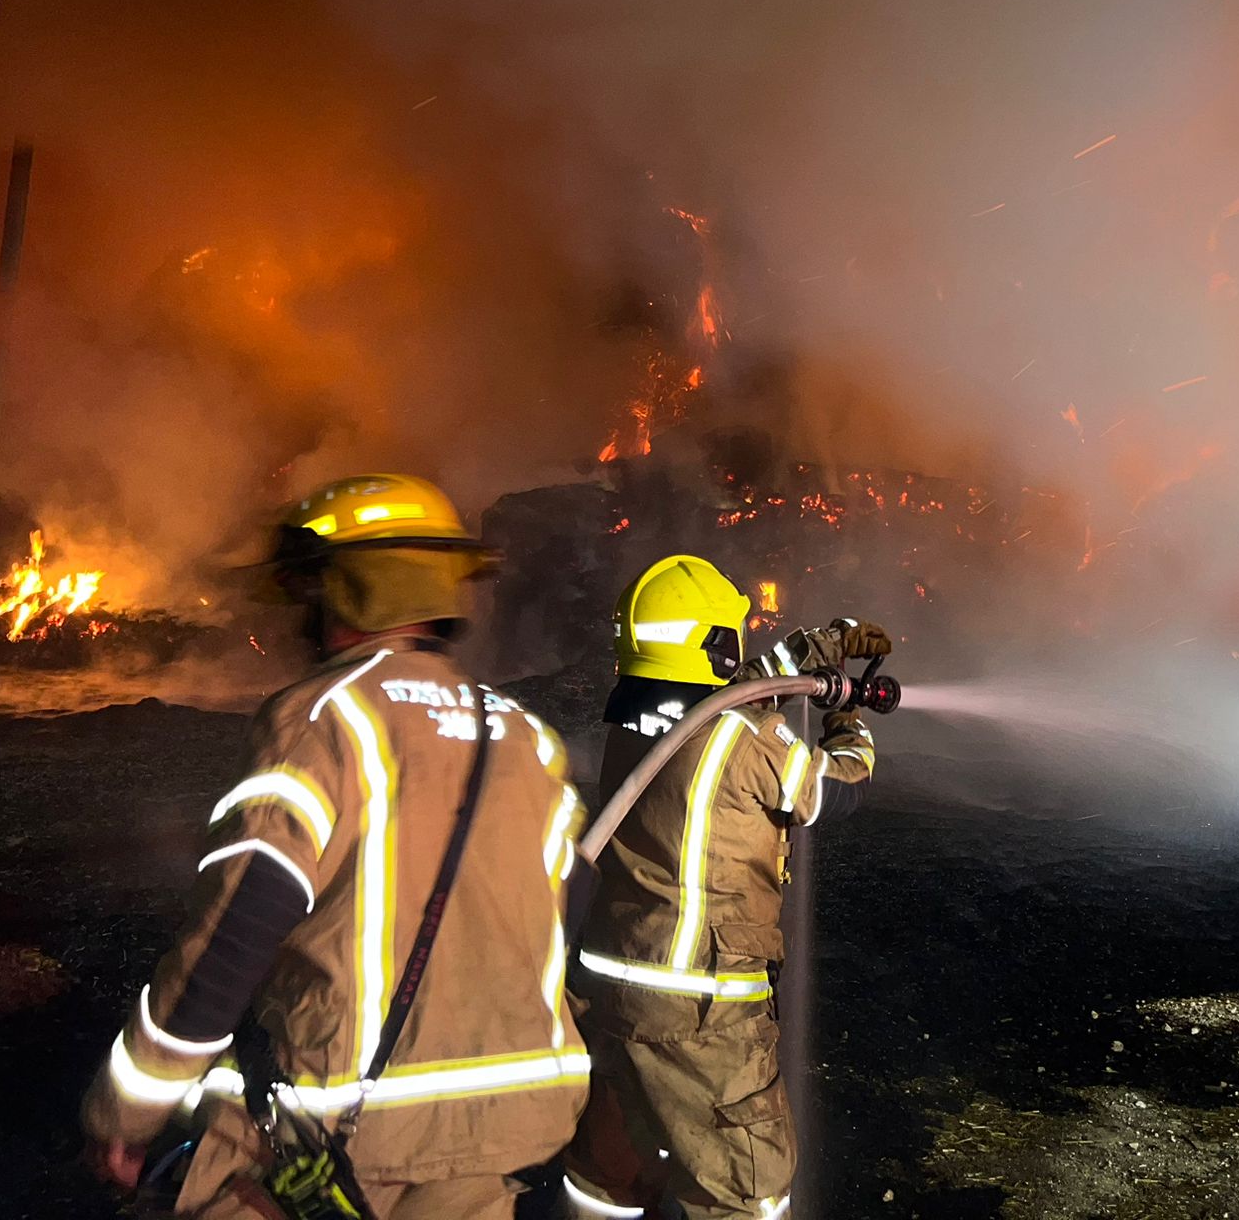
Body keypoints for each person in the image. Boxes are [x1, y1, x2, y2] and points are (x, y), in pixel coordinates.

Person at [81, 474, 588, 1218]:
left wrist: (127, 1110)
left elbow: (237, 929)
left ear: (341, 594)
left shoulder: (325, 717)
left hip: (343, 1126)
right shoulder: (526, 736)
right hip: (506, 1125)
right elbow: (554, 926)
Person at [563, 554, 886, 1220]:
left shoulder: (631, 724)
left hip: (612, 991)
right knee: (750, 1189)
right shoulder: (748, 740)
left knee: (608, 1170)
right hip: (701, 1009)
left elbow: (720, 689)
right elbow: (842, 789)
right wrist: (846, 716)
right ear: (714, 643)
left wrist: (808, 650)